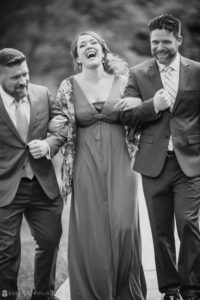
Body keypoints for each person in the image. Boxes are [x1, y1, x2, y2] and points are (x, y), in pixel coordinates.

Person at [49, 31, 147, 300]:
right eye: (82, 45)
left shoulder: (125, 82)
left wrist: (140, 103)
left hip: (122, 162)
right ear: (77, 57)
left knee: (124, 226)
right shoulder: (68, 87)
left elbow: (144, 114)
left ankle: (126, 291)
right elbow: (58, 122)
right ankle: (95, 293)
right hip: (84, 163)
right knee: (92, 231)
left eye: (93, 43)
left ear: (103, 51)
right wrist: (52, 126)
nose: (89, 47)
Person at [120, 14, 200, 300]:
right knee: (160, 230)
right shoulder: (138, 73)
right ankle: (170, 289)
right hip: (153, 164)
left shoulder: (197, 70)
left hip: (189, 163)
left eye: (166, 41)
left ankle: (192, 289)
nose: (159, 47)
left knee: (189, 225)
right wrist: (152, 105)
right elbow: (126, 116)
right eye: (155, 42)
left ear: (179, 40)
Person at [0, 48, 68, 300]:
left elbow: (62, 122)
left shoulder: (41, 93)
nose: (23, 81)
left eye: (25, 74)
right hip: (5, 187)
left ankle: (43, 295)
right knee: (6, 251)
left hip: (43, 185)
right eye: (15, 77)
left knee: (50, 242)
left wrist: (49, 144)